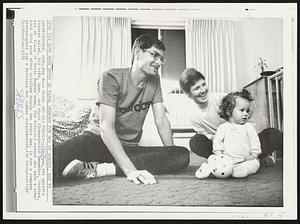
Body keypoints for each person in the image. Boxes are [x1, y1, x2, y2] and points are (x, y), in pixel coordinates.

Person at [53, 34, 190, 185]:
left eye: (161, 58)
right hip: (97, 142)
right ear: (137, 52)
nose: (159, 62)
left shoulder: (155, 81)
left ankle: (101, 169)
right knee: (48, 161)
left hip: (128, 148)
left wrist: (168, 155)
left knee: (181, 155)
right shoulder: (111, 77)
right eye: (154, 55)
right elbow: (106, 127)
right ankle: (103, 165)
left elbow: (161, 120)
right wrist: (130, 171)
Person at [179, 68, 283, 166]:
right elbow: (206, 136)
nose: (202, 90)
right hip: (223, 147)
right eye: (197, 88)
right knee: (195, 141)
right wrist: (223, 140)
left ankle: (253, 158)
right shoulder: (192, 115)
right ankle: (239, 161)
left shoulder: (221, 97)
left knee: (274, 134)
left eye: (203, 85)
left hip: (245, 141)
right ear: (188, 94)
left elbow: (246, 114)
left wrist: (247, 137)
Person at [212, 90, 261, 178]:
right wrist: (219, 155)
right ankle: (211, 169)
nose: (246, 114)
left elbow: (255, 142)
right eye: (242, 110)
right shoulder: (223, 128)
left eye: (247, 111)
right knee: (214, 160)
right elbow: (217, 143)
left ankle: (244, 170)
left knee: (255, 164)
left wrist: (254, 154)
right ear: (229, 111)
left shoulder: (249, 127)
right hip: (228, 161)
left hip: (245, 160)